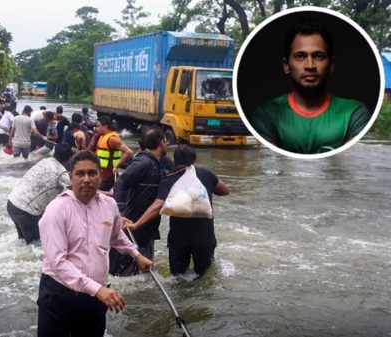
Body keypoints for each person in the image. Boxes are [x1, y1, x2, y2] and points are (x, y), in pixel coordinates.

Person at [37, 150, 154, 337]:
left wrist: (136, 254)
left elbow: (114, 236)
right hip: (60, 295)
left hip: (96, 296)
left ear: (100, 176)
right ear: (70, 177)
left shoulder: (109, 205)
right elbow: (58, 262)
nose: (86, 179)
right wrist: (97, 289)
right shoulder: (56, 210)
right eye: (80, 174)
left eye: (92, 173)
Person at [251, 19, 371, 154]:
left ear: (331, 65)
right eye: (300, 57)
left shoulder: (353, 113)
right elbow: (268, 164)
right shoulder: (267, 114)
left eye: (318, 56)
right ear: (286, 65)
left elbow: (354, 165)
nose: (310, 66)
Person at [125, 145, 229, 278]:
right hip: (204, 237)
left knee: (177, 278)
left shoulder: (169, 178)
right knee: (204, 277)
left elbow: (158, 205)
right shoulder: (205, 174)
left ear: (174, 161)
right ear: (194, 159)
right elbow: (225, 190)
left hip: (179, 238)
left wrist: (136, 224)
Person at [111, 127, 167, 276]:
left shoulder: (156, 163)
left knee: (143, 268)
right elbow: (121, 183)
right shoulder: (144, 163)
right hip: (134, 223)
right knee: (125, 268)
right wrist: (121, 211)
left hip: (147, 225)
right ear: (162, 142)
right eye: (166, 141)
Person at [7, 143, 74, 244]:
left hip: (12, 203)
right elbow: (78, 190)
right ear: (69, 159)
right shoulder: (61, 173)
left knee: (23, 243)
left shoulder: (45, 161)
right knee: (35, 247)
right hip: (26, 211)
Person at [95, 116, 133, 191]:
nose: (96, 128)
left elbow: (128, 152)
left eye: (98, 126)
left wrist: (116, 166)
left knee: (98, 194)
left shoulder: (113, 139)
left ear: (105, 126)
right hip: (102, 174)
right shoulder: (102, 137)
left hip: (108, 175)